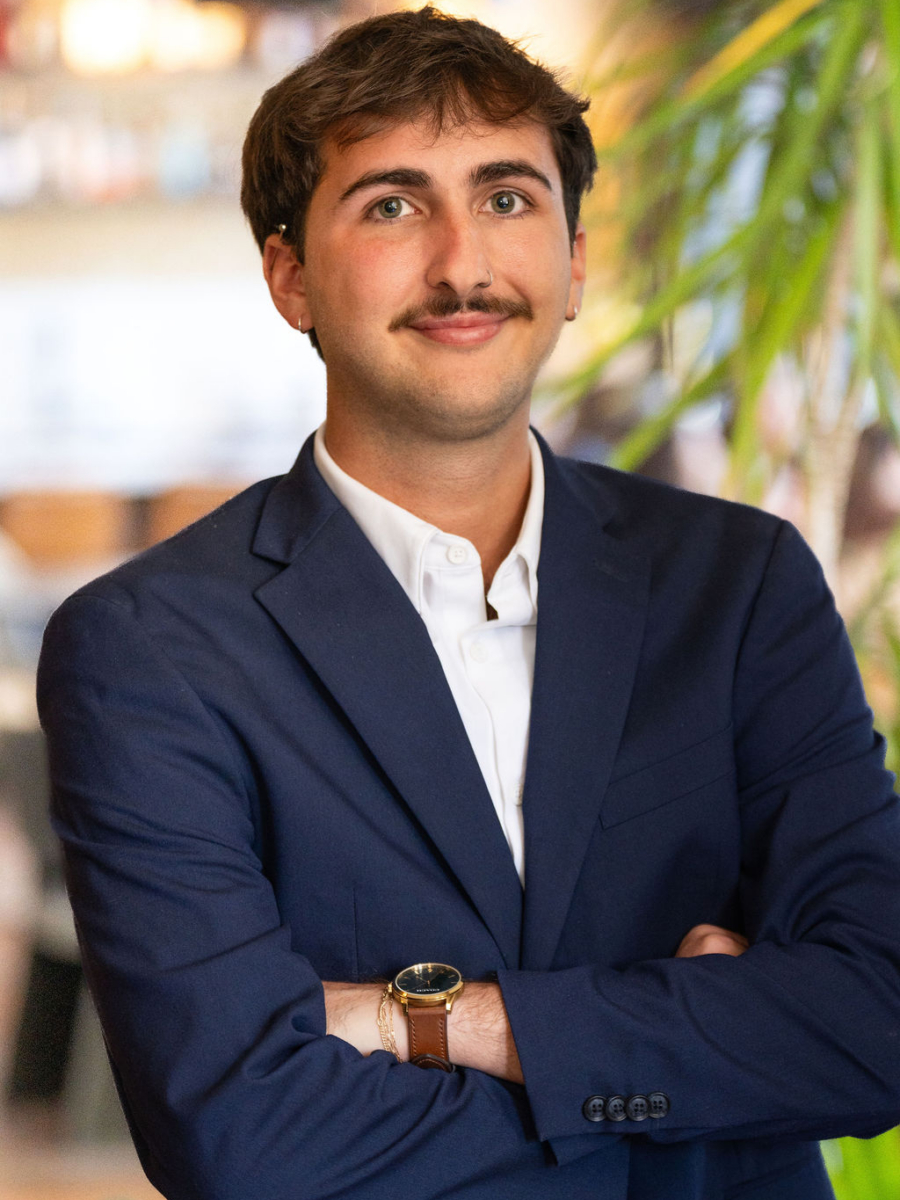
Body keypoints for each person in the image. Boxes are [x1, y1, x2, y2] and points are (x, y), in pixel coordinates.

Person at [37, 7, 900, 1199]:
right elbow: (238, 1137)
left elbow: (876, 1023)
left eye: (506, 198)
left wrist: (431, 1022)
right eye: (392, 206)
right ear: (290, 276)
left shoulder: (739, 585)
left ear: (576, 263)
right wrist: (696, 1070)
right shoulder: (151, 650)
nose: (462, 263)